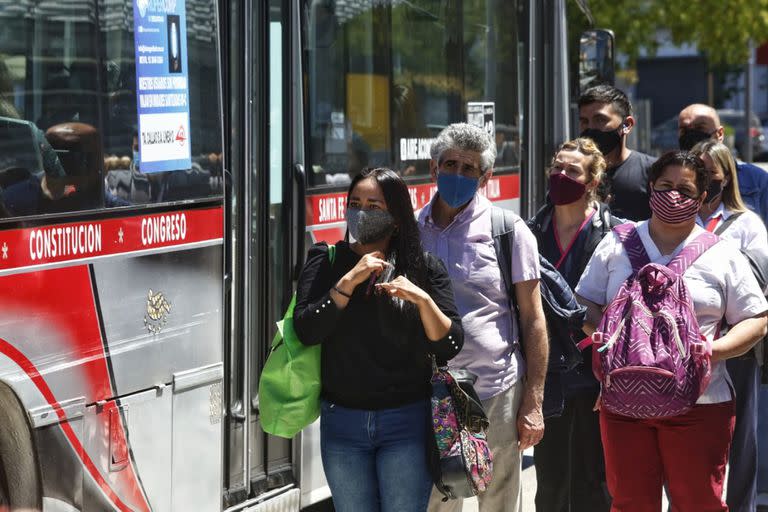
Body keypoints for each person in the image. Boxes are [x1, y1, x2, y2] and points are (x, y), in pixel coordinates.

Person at [575, 150, 768, 512]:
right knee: (631, 502)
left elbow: (757, 320)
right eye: (665, 185)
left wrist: (714, 349)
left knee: (698, 503)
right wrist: (606, 336)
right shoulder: (616, 243)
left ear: (702, 198)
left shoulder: (723, 254)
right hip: (624, 402)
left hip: (702, 403)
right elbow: (584, 302)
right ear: (651, 188)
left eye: (685, 189)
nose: (673, 194)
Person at [293, 167, 464, 512]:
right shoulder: (325, 261)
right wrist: (347, 283)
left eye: (374, 206)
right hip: (343, 423)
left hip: (407, 423)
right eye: (355, 203)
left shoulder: (424, 269)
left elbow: (449, 346)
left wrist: (422, 301)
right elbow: (307, 330)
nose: (361, 213)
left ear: (397, 219)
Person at [417, 123, 549, 511]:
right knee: (436, 502)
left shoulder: (508, 231)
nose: (457, 174)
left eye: (469, 168)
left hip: (494, 390)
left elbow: (533, 319)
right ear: (433, 169)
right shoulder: (409, 229)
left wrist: (533, 401)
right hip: (427, 392)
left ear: (486, 177)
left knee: (499, 503)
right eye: (450, 164)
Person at [678, 103, 768, 508]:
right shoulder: (678, 222)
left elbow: (762, 281)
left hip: (737, 343)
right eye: (700, 178)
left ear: (726, 178)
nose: (706, 185)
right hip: (685, 344)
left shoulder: (745, 223)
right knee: (690, 431)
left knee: (742, 434)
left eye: (713, 177)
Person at [527, 138, 615, 512]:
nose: (561, 175)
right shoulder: (528, 233)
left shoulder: (615, 234)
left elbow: (622, 310)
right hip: (547, 373)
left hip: (594, 373)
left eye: (572, 171)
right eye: (557, 168)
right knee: (550, 483)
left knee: (593, 481)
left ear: (592, 181)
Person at [578, 85, 656, 221]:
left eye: (600, 120)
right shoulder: (573, 172)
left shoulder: (652, 171)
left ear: (626, 125)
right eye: (585, 121)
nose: (590, 128)